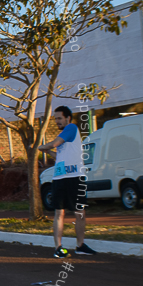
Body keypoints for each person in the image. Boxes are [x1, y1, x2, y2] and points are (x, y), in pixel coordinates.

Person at [38, 106, 96, 257]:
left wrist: (41, 147)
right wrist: (48, 152)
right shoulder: (64, 135)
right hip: (59, 178)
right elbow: (59, 157)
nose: (57, 121)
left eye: (59, 118)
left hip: (75, 177)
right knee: (59, 213)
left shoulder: (71, 128)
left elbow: (53, 144)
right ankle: (59, 248)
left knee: (79, 212)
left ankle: (80, 245)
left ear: (68, 118)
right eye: (55, 118)